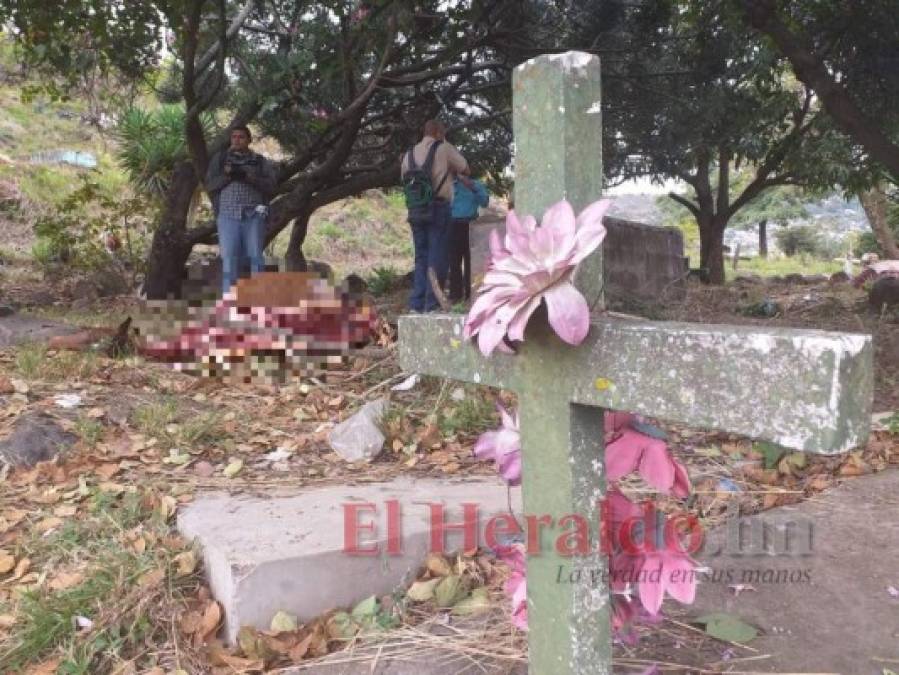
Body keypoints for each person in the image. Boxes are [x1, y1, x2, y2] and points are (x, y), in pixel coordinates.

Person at [400, 119, 468, 312]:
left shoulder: (409, 154)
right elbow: (465, 167)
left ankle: (417, 303)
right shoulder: (444, 148)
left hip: (415, 210)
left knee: (421, 256)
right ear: (439, 132)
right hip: (439, 208)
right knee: (438, 255)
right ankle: (432, 303)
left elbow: (404, 180)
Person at [206, 126, 278, 294]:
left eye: (241, 137)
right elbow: (210, 185)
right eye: (234, 137)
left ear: (249, 140)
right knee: (229, 259)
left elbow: (272, 186)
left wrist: (249, 176)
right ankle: (230, 304)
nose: (237, 140)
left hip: (254, 215)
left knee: (255, 258)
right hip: (227, 215)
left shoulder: (259, 161)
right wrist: (228, 175)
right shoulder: (221, 159)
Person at [447, 174, 489, 303]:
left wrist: (471, 186)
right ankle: (455, 295)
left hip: (471, 225)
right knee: (454, 262)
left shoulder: (475, 184)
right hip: (453, 225)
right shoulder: (449, 185)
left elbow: (484, 202)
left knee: (471, 260)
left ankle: (470, 294)